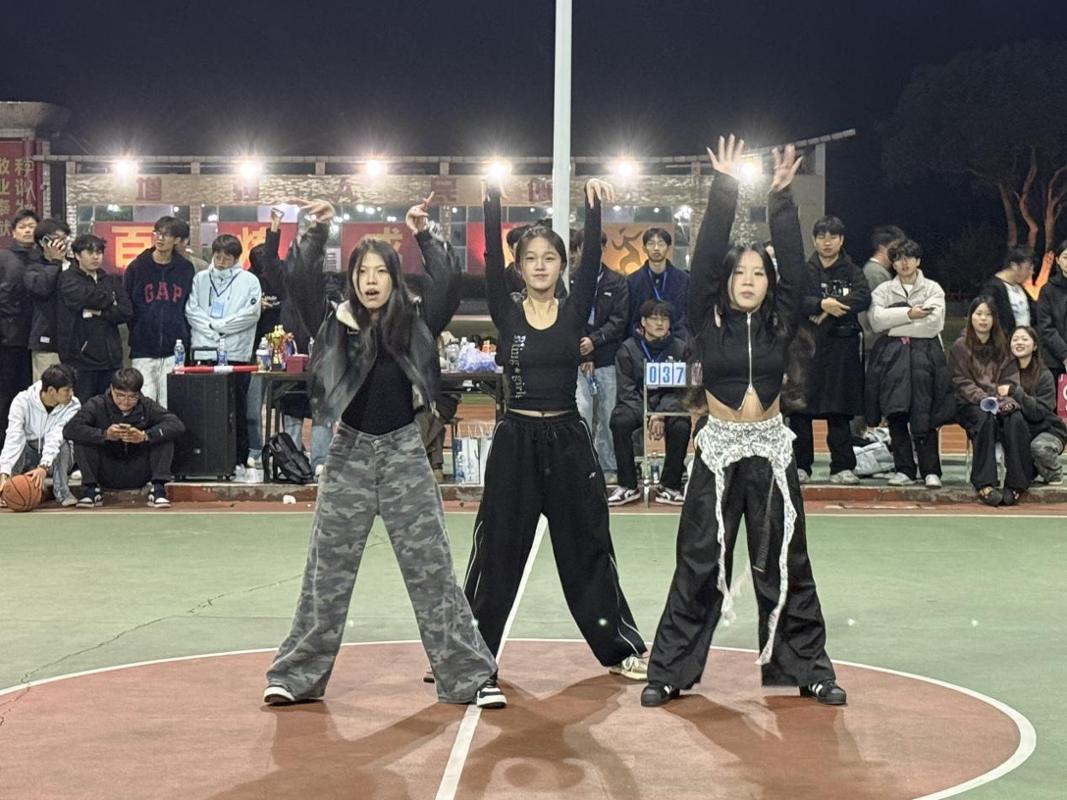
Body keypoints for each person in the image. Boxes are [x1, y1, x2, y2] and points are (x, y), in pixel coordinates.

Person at [265, 197, 504, 710]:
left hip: (404, 455)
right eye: (362, 272)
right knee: (326, 572)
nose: (370, 281)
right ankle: (297, 676)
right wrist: (314, 230)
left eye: (380, 272)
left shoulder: (415, 323)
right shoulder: (332, 324)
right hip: (348, 456)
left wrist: (426, 233)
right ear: (351, 279)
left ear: (394, 278)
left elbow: (448, 281)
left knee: (432, 569)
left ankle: (467, 676)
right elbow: (300, 281)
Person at [642, 136, 845, 708]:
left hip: (772, 452)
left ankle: (806, 669)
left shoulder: (782, 322)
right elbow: (707, 257)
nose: (749, 280)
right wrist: (726, 188)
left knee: (785, 560)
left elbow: (797, 275)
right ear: (727, 283)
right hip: (719, 453)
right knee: (699, 561)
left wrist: (781, 198)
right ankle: (671, 671)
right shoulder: (706, 320)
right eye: (741, 273)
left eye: (759, 272)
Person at [463, 177, 648, 681]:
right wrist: (491, 203)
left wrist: (593, 208)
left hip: (568, 442)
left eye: (550, 258)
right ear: (519, 266)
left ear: (563, 265)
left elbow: (593, 262)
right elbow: (492, 254)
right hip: (515, 443)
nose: (541, 265)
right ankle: (467, 653)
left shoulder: (574, 309)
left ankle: (620, 648)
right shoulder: (506, 310)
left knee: (588, 547)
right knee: (497, 549)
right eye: (531, 258)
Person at [785, 212, 871, 484]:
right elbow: (793, 300)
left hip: (841, 350)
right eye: (822, 236)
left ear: (841, 240)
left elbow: (863, 297)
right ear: (814, 240)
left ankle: (842, 467)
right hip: (806, 349)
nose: (827, 242)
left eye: (833, 236)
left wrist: (832, 307)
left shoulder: (852, 271)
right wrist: (820, 305)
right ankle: (801, 466)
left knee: (839, 410)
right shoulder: (803, 271)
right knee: (801, 410)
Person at [865, 239, 954, 488]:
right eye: (898, 258)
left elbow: (934, 324)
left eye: (909, 258)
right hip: (893, 360)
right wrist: (910, 314)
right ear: (893, 263)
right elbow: (876, 321)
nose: (904, 263)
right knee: (896, 413)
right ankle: (904, 469)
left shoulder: (933, 288)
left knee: (924, 413)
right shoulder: (883, 290)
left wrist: (894, 324)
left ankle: (930, 470)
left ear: (918, 261)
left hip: (925, 358)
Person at [185, 234, 262, 471]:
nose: (220, 262)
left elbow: (250, 315)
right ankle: (204, 459)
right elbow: (191, 310)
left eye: (226, 258)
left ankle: (239, 458)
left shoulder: (249, 280)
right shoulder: (200, 279)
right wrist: (211, 328)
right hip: (203, 352)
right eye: (217, 256)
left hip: (236, 354)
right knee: (204, 409)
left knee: (236, 408)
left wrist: (220, 326)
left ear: (236, 258)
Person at [947, 298, 1033, 506]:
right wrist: (984, 399)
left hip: (1001, 401)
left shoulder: (1003, 347)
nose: (983, 319)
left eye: (988, 314)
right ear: (970, 318)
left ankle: (1016, 484)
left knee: (1016, 419)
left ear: (994, 318)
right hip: (971, 404)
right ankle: (984, 484)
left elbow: (1010, 380)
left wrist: (1002, 401)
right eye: (979, 314)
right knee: (984, 418)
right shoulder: (960, 347)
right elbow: (960, 381)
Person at [63, 367, 185, 509]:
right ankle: (90, 489)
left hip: (139, 470)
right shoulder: (96, 404)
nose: (125, 402)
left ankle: (158, 489)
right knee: (83, 437)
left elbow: (177, 425)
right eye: (120, 395)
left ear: (139, 394)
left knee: (164, 437)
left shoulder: (147, 405)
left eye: (132, 397)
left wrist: (145, 436)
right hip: (106, 470)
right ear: (111, 389)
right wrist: (104, 435)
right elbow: (70, 429)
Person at [608, 299, 691, 506]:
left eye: (665, 319)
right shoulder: (627, 349)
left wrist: (660, 414)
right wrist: (648, 413)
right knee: (619, 421)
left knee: (681, 424)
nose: (660, 323)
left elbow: (682, 391)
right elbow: (626, 390)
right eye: (654, 318)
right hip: (636, 403)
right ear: (643, 322)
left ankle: (669, 485)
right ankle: (628, 485)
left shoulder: (681, 349)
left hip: (669, 404)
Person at [573, 228, 629, 481]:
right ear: (578, 250)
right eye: (585, 247)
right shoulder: (569, 282)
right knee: (581, 412)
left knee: (608, 415)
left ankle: (608, 467)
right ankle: (581, 464)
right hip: (578, 361)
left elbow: (619, 320)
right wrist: (584, 353)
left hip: (607, 358)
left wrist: (594, 342)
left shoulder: (617, 282)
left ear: (604, 249)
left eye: (597, 247)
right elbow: (568, 317)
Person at [123, 216, 195, 407]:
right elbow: (127, 304)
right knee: (143, 401)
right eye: (157, 233)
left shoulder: (185, 269)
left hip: (175, 349)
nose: (160, 238)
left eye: (166, 235)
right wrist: (138, 330)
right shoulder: (137, 267)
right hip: (143, 347)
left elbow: (190, 304)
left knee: (170, 403)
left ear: (177, 240)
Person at [57, 234, 133, 401]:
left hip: (111, 358)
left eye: (99, 252)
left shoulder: (110, 279)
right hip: (81, 359)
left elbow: (126, 311)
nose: (95, 257)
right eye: (90, 252)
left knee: (110, 406)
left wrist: (100, 312)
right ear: (77, 255)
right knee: (82, 407)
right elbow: (86, 299)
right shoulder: (68, 278)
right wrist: (110, 300)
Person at [0, 364, 79, 507]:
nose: (71, 394)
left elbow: (56, 434)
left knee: (63, 444)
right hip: (29, 455)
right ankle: (8, 489)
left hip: (55, 459)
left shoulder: (73, 405)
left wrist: (44, 466)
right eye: (67, 390)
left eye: (72, 389)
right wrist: (4, 472)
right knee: (19, 445)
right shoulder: (22, 401)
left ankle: (62, 492)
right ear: (51, 391)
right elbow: (13, 437)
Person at [246, 208, 288, 469]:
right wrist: (255, 308)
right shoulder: (246, 282)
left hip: (284, 348)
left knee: (288, 405)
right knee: (253, 406)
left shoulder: (283, 280)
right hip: (255, 351)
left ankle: (289, 449)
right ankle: (254, 449)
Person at [1008, 326, 1066, 485]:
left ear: (1034, 346)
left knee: (1039, 447)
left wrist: (1016, 392)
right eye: (1015, 339)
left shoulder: (1044, 375)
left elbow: (1040, 412)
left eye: (1024, 339)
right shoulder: (1005, 372)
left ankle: (1054, 474)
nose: (1019, 342)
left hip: (1047, 429)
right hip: (1019, 429)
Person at [0, 208, 38, 447]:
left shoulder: (42, 258)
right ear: (13, 232)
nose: (27, 231)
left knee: (31, 395)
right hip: (8, 338)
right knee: (6, 394)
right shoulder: (3, 257)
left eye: (32, 226)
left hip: (37, 338)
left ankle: (29, 447)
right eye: (22, 227)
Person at [24, 218, 71, 381]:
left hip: (74, 344)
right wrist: (55, 262)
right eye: (56, 238)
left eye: (64, 238)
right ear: (43, 242)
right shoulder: (33, 267)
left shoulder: (74, 266)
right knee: (46, 387)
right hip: (47, 340)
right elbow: (42, 288)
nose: (62, 243)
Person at [627, 227, 691, 340]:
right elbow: (630, 317)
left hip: (677, 340)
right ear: (644, 248)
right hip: (642, 341)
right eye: (651, 244)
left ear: (668, 248)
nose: (656, 248)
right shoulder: (632, 281)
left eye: (661, 244)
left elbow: (687, 314)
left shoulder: (684, 279)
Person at [981, 246, 1037, 333]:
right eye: (1028, 268)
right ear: (1014, 266)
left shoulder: (1020, 287)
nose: (1031, 273)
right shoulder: (993, 289)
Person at [1036, 239, 1067, 380]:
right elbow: (1046, 327)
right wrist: (1065, 355)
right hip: (1054, 361)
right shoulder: (1048, 290)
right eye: (1066, 257)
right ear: (1058, 260)